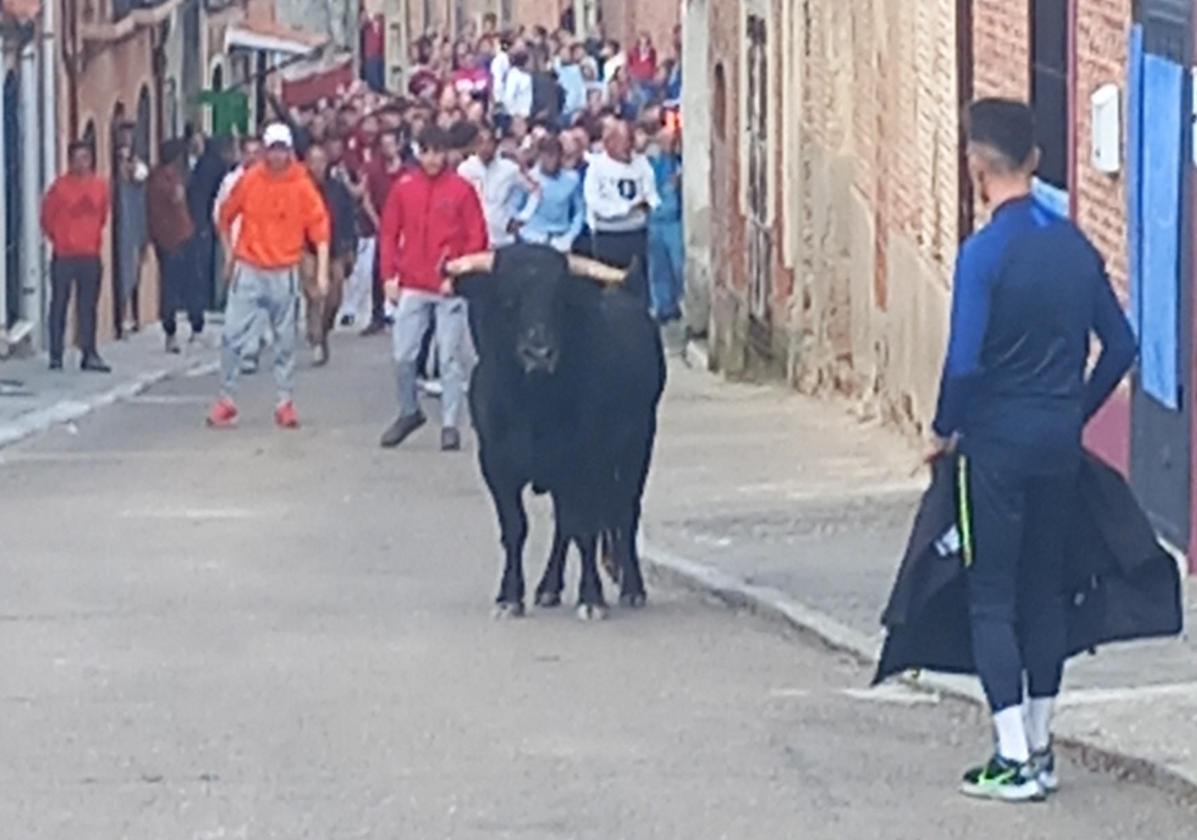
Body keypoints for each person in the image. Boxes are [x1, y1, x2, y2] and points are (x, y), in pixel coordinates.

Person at [927, 99, 1136, 802]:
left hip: (994, 444)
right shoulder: (1074, 246)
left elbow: (962, 363)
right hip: (1055, 442)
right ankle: (1040, 745)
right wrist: (1072, 409)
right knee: (1045, 591)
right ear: (1036, 162)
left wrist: (940, 429)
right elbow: (1123, 346)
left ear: (975, 166)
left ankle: (1010, 757)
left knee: (991, 598)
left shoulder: (982, 254)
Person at [210, 123, 330, 430]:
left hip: (284, 270)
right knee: (231, 336)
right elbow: (225, 217)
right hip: (249, 268)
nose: (277, 155)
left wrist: (321, 273)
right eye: (272, 148)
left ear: (289, 151)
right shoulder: (250, 180)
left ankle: (284, 402)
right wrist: (229, 257)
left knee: (285, 341)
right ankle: (226, 399)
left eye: (282, 149)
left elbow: (319, 230)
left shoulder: (302, 185)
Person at [377, 126, 487, 452]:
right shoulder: (404, 187)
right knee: (403, 355)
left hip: (448, 286)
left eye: (438, 152)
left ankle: (450, 424)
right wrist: (388, 276)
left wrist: (459, 276)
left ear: (447, 153)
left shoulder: (462, 190)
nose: (432, 159)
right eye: (426, 152)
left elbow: (476, 236)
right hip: (412, 282)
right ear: (418, 152)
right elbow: (388, 233)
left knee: (450, 358)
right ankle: (410, 411)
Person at [40, 141, 110, 372]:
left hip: (90, 254)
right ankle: (56, 353)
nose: (82, 163)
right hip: (64, 255)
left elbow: (102, 215)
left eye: (86, 158)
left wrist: (90, 239)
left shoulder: (100, 186)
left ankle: (89, 352)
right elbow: (47, 219)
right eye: (78, 158)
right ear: (70, 161)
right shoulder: (59, 188)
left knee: (87, 306)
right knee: (59, 304)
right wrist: (61, 239)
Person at [583, 120, 659, 301]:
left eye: (630, 141)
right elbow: (595, 202)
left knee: (639, 285)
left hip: (637, 233)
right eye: (624, 141)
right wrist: (625, 209)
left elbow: (651, 194)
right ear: (609, 143)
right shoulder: (597, 168)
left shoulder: (641, 163)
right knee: (610, 286)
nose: (629, 147)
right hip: (609, 235)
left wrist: (647, 204)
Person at [214, 137, 267, 372]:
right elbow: (219, 215)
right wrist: (226, 249)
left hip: (266, 249)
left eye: (257, 153)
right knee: (240, 301)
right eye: (249, 153)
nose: (253, 157)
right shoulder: (231, 182)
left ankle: (251, 349)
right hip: (238, 247)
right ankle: (243, 345)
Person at [302, 143, 357, 366]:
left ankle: (324, 329)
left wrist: (350, 247)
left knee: (334, 297)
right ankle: (315, 338)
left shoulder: (337, 189)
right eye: (312, 161)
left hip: (334, 248)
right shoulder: (301, 188)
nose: (316, 166)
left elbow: (348, 218)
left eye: (320, 161)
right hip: (307, 248)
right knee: (314, 294)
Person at [147, 139, 201, 354]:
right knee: (188, 286)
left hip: (163, 240)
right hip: (180, 238)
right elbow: (177, 198)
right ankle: (189, 328)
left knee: (169, 287)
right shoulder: (170, 179)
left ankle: (172, 331)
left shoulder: (154, 177)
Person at [360, 129, 408, 336]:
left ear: (399, 145)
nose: (387, 149)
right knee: (378, 269)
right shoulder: (374, 170)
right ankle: (377, 315)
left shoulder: (408, 172)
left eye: (391, 144)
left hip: (404, 227)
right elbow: (366, 197)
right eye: (384, 144)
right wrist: (377, 221)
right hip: (382, 225)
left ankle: (402, 311)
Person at [458, 123, 526, 249]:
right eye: (480, 142)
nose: (485, 147)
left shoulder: (510, 169)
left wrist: (522, 216)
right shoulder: (465, 169)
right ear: (475, 145)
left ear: (496, 145)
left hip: (503, 238)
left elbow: (534, 191)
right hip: (475, 237)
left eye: (489, 143)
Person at [513, 135, 584, 253]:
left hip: (561, 238)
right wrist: (526, 234)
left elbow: (579, 212)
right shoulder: (528, 179)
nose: (550, 159)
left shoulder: (572, 179)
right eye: (546, 155)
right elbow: (515, 210)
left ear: (560, 156)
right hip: (532, 239)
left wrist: (570, 237)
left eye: (554, 155)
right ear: (540, 155)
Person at [647, 124, 684, 322]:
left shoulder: (679, 162)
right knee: (659, 267)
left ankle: (680, 301)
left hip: (674, 220)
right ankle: (664, 307)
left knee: (678, 264)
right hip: (655, 220)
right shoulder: (652, 163)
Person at [113, 143, 148, 337]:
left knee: (132, 272)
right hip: (122, 227)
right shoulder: (116, 172)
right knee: (125, 272)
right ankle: (123, 318)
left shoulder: (137, 168)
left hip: (133, 224)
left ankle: (132, 316)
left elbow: (141, 174)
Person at [501, 49, 534, 125]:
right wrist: (514, 114)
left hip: (527, 115)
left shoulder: (528, 75)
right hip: (516, 116)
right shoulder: (513, 75)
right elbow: (508, 97)